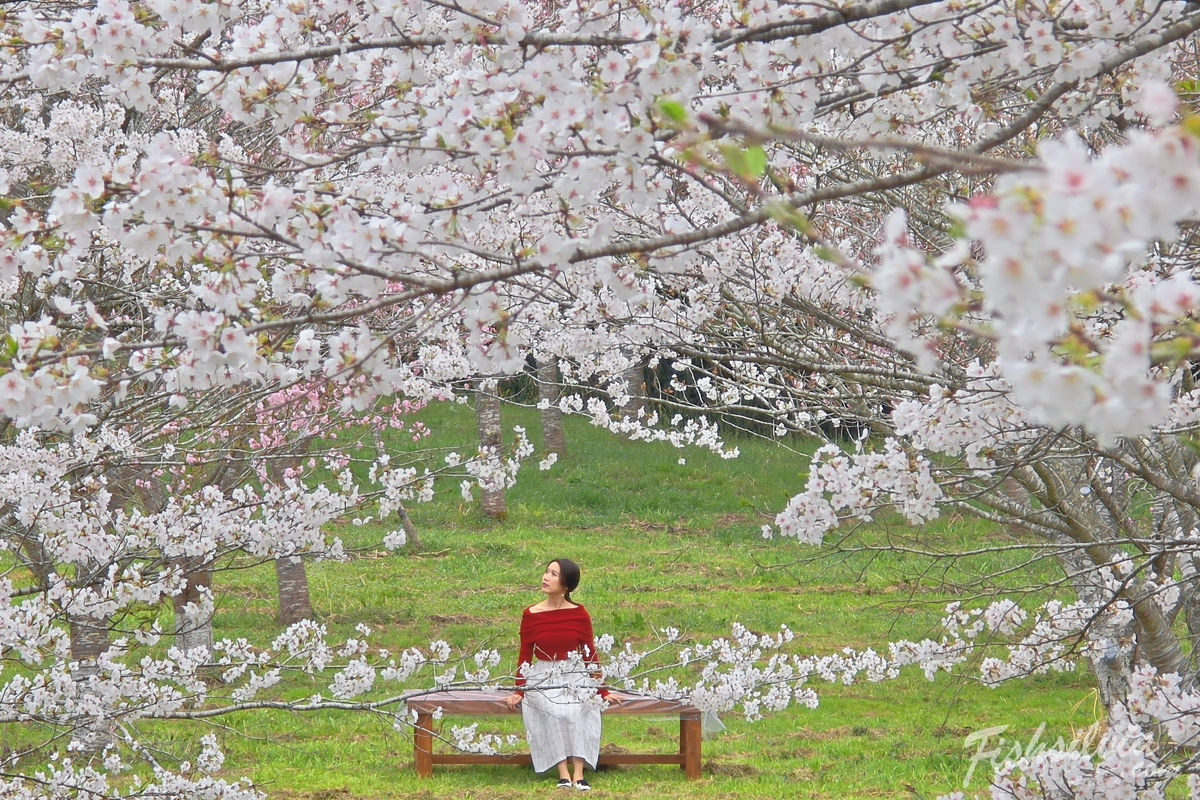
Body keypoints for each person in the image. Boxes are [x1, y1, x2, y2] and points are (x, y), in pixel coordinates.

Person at [504, 558, 620, 790]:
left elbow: (589, 655)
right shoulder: (531, 614)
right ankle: (562, 770)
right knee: (553, 709)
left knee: (579, 708)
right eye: (546, 572)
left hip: (574, 673)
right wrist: (520, 690)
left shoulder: (579, 614)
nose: (546, 577)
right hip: (543, 675)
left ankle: (579, 770)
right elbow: (525, 655)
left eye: (553, 574)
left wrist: (602, 690)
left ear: (566, 585)